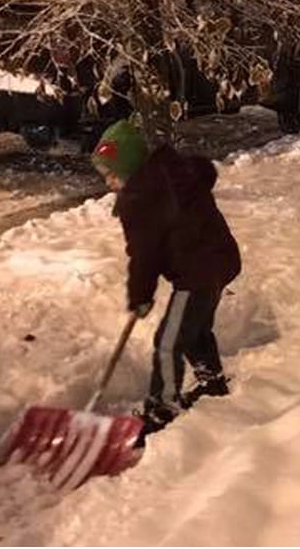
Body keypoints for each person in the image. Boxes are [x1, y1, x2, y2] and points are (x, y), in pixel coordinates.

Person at [90, 119, 242, 446]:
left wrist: (141, 296)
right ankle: (211, 379)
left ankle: (164, 406)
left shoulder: (140, 198)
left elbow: (144, 256)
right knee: (193, 329)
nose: (109, 183)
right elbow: (163, 242)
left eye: (111, 175)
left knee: (168, 340)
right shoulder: (170, 174)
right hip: (219, 260)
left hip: (197, 271)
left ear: (129, 169)